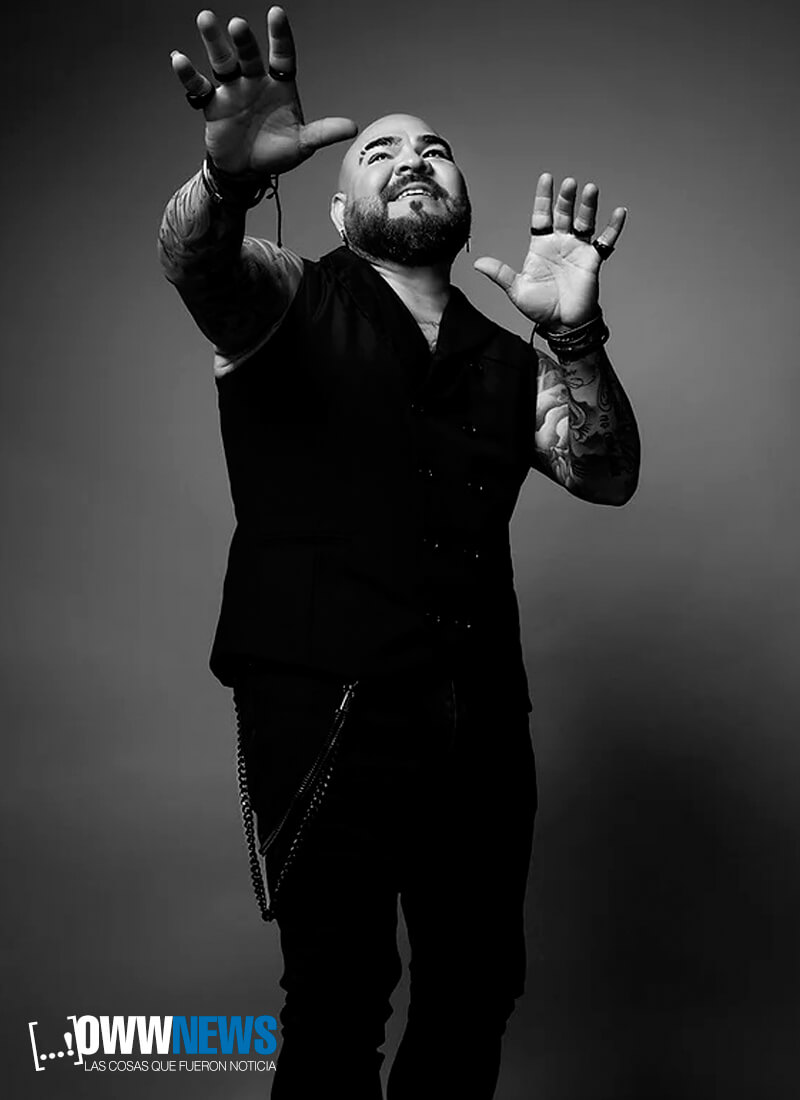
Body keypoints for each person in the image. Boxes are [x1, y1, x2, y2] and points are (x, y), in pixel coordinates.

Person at [158, 7, 640, 1098]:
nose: (412, 160)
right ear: (340, 208)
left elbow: (604, 472)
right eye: (380, 151)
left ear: (461, 197)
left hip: (479, 716)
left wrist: (573, 333)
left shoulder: (507, 358)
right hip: (324, 705)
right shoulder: (283, 294)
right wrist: (227, 181)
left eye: (433, 150)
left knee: (474, 988)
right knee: (339, 998)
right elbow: (196, 266)